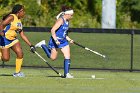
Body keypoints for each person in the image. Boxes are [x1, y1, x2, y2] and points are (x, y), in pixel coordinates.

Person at [35, 6, 74, 78]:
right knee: (53, 58)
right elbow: (52, 30)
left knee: (67, 56)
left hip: (63, 41)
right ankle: (43, 45)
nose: (72, 17)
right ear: (67, 14)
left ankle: (67, 74)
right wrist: (56, 40)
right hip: (55, 41)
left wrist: (69, 39)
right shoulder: (60, 20)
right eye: (71, 15)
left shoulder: (67, 21)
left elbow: (64, 34)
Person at [0, 4, 36, 77]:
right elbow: (2, 24)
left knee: (20, 53)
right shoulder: (11, 16)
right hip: (4, 39)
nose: (24, 13)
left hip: (13, 40)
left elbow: (22, 35)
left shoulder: (19, 21)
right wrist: (1, 31)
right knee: (6, 59)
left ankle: (17, 72)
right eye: (23, 11)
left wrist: (31, 45)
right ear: (19, 11)